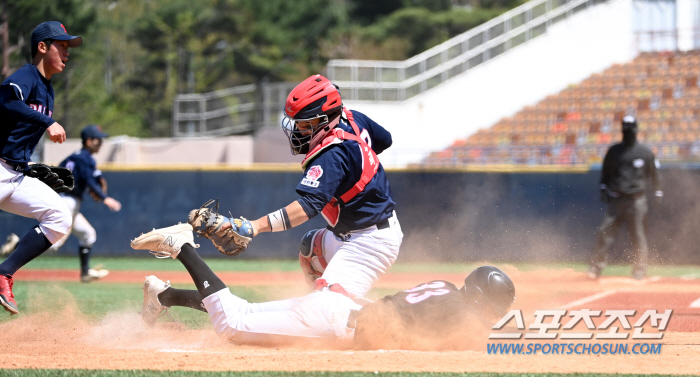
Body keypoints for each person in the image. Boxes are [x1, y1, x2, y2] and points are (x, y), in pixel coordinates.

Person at [130, 223, 516, 348]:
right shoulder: (463, 313)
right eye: (492, 309)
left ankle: (166, 295)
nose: (489, 317)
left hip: (344, 309)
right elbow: (471, 339)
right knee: (231, 324)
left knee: (243, 313)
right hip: (335, 322)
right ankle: (182, 246)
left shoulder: (448, 288)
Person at [194, 74, 402, 301]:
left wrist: (255, 226)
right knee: (311, 249)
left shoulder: (331, 154)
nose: (298, 129)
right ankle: (316, 305)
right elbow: (385, 139)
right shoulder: (352, 119)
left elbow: (307, 207)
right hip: (356, 232)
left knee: (329, 307)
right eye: (297, 123)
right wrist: (357, 164)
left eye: (306, 123)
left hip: (369, 242)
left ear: (326, 118)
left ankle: (395, 318)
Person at [0, 21, 82, 315]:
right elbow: (5, 102)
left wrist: (30, 166)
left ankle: (4, 273)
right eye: (61, 45)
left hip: (14, 174)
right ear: (42, 47)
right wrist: (48, 122)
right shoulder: (26, 75)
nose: (67, 51)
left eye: (68, 46)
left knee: (59, 216)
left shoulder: (47, 91)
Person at [587, 115, 662, 280]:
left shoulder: (645, 152)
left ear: (636, 130)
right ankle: (596, 267)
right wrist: (603, 188)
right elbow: (605, 173)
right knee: (604, 231)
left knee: (638, 235)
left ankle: (640, 269)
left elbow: (655, 174)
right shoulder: (614, 151)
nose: (628, 132)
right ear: (622, 130)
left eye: (630, 129)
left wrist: (658, 192)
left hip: (636, 200)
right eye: (625, 129)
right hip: (616, 199)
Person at [48, 124, 121, 282]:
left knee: (88, 234)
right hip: (68, 202)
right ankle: (16, 246)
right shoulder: (86, 158)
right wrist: (104, 197)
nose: (101, 144)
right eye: (98, 140)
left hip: (63, 200)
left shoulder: (73, 157)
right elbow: (90, 180)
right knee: (54, 244)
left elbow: (62, 173)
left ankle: (85, 272)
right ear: (89, 141)